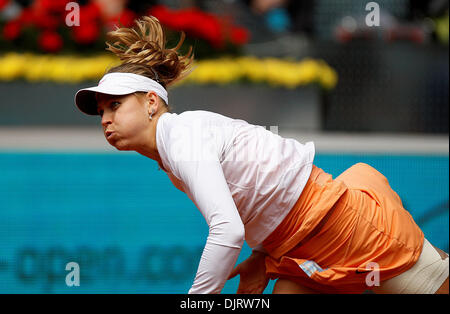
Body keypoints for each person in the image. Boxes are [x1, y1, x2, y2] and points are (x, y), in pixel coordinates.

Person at [74, 16, 449, 294]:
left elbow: (228, 230)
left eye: (115, 106)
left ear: (152, 102)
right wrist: (262, 254)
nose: (105, 119)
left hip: (346, 230)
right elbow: (260, 197)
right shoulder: (175, 145)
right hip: (298, 251)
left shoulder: (181, 136)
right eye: (101, 112)